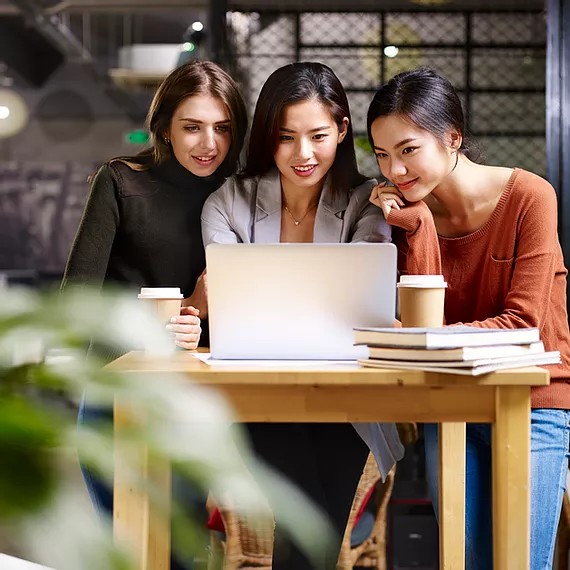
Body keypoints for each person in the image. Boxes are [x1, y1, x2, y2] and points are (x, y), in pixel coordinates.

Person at [201, 61, 404, 569]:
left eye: (317, 135)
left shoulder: (366, 205)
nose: (303, 154)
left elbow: (366, 309)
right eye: (286, 137)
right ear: (268, 136)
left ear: (341, 129)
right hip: (256, 397)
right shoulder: (228, 203)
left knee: (310, 533)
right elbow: (229, 304)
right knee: (308, 529)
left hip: (346, 403)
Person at [366, 67, 570, 570]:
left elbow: (521, 325)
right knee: (467, 560)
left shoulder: (530, 197)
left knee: (520, 562)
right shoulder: (410, 214)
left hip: (533, 400)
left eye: (408, 150)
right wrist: (418, 226)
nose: (394, 170)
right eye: (382, 154)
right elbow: (420, 321)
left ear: (452, 138)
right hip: (453, 398)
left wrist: (426, 340)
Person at [61, 60, 248, 569]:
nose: (208, 143)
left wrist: (201, 313)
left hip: (199, 398)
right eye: (192, 127)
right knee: (129, 545)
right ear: (164, 125)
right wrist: (181, 312)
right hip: (116, 392)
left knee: (179, 549)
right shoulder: (120, 180)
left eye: (222, 128)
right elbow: (78, 303)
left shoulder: (243, 195)